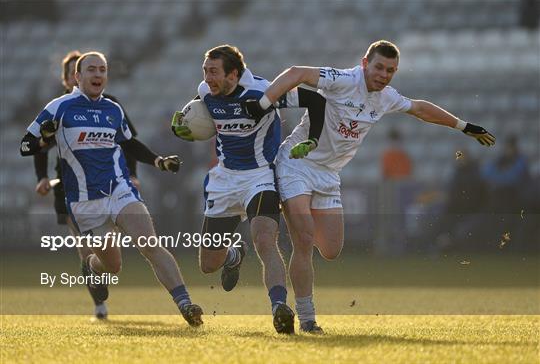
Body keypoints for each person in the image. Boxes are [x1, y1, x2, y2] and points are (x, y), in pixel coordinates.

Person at [242, 40, 496, 332]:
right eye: (379, 67)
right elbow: (296, 72)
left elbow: (420, 109)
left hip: (329, 174)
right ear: (365, 63)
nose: (384, 74)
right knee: (304, 239)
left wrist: (463, 126)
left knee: (331, 250)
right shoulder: (343, 79)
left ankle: (280, 244)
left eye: (391, 70)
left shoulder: (386, 97)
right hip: (296, 163)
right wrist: (263, 103)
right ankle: (307, 318)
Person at [20, 51, 203, 327]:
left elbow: (129, 144)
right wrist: (44, 138)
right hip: (84, 202)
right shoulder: (59, 107)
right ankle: (91, 266)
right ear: (77, 77)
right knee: (112, 266)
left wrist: (158, 161)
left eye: (102, 70)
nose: (97, 75)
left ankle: (185, 303)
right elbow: (25, 146)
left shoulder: (113, 109)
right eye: (91, 70)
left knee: (149, 244)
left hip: (120, 190)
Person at [171, 45, 326, 334]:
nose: (207, 77)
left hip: (259, 177)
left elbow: (316, 102)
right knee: (208, 265)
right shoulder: (206, 90)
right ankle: (232, 254)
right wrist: (182, 125)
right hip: (223, 182)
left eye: (213, 71)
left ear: (234, 74)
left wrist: (314, 140)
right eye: (205, 71)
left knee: (265, 240)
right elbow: (196, 109)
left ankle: (279, 307)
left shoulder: (262, 93)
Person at [33, 50, 140, 319]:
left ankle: (97, 271)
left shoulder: (110, 104)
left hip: (108, 185)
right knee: (85, 245)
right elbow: (39, 146)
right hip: (70, 187)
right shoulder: (58, 108)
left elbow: (128, 143)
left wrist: (134, 172)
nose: (76, 78)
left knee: (108, 248)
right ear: (70, 78)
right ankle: (99, 306)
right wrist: (42, 178)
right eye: (71, 74)